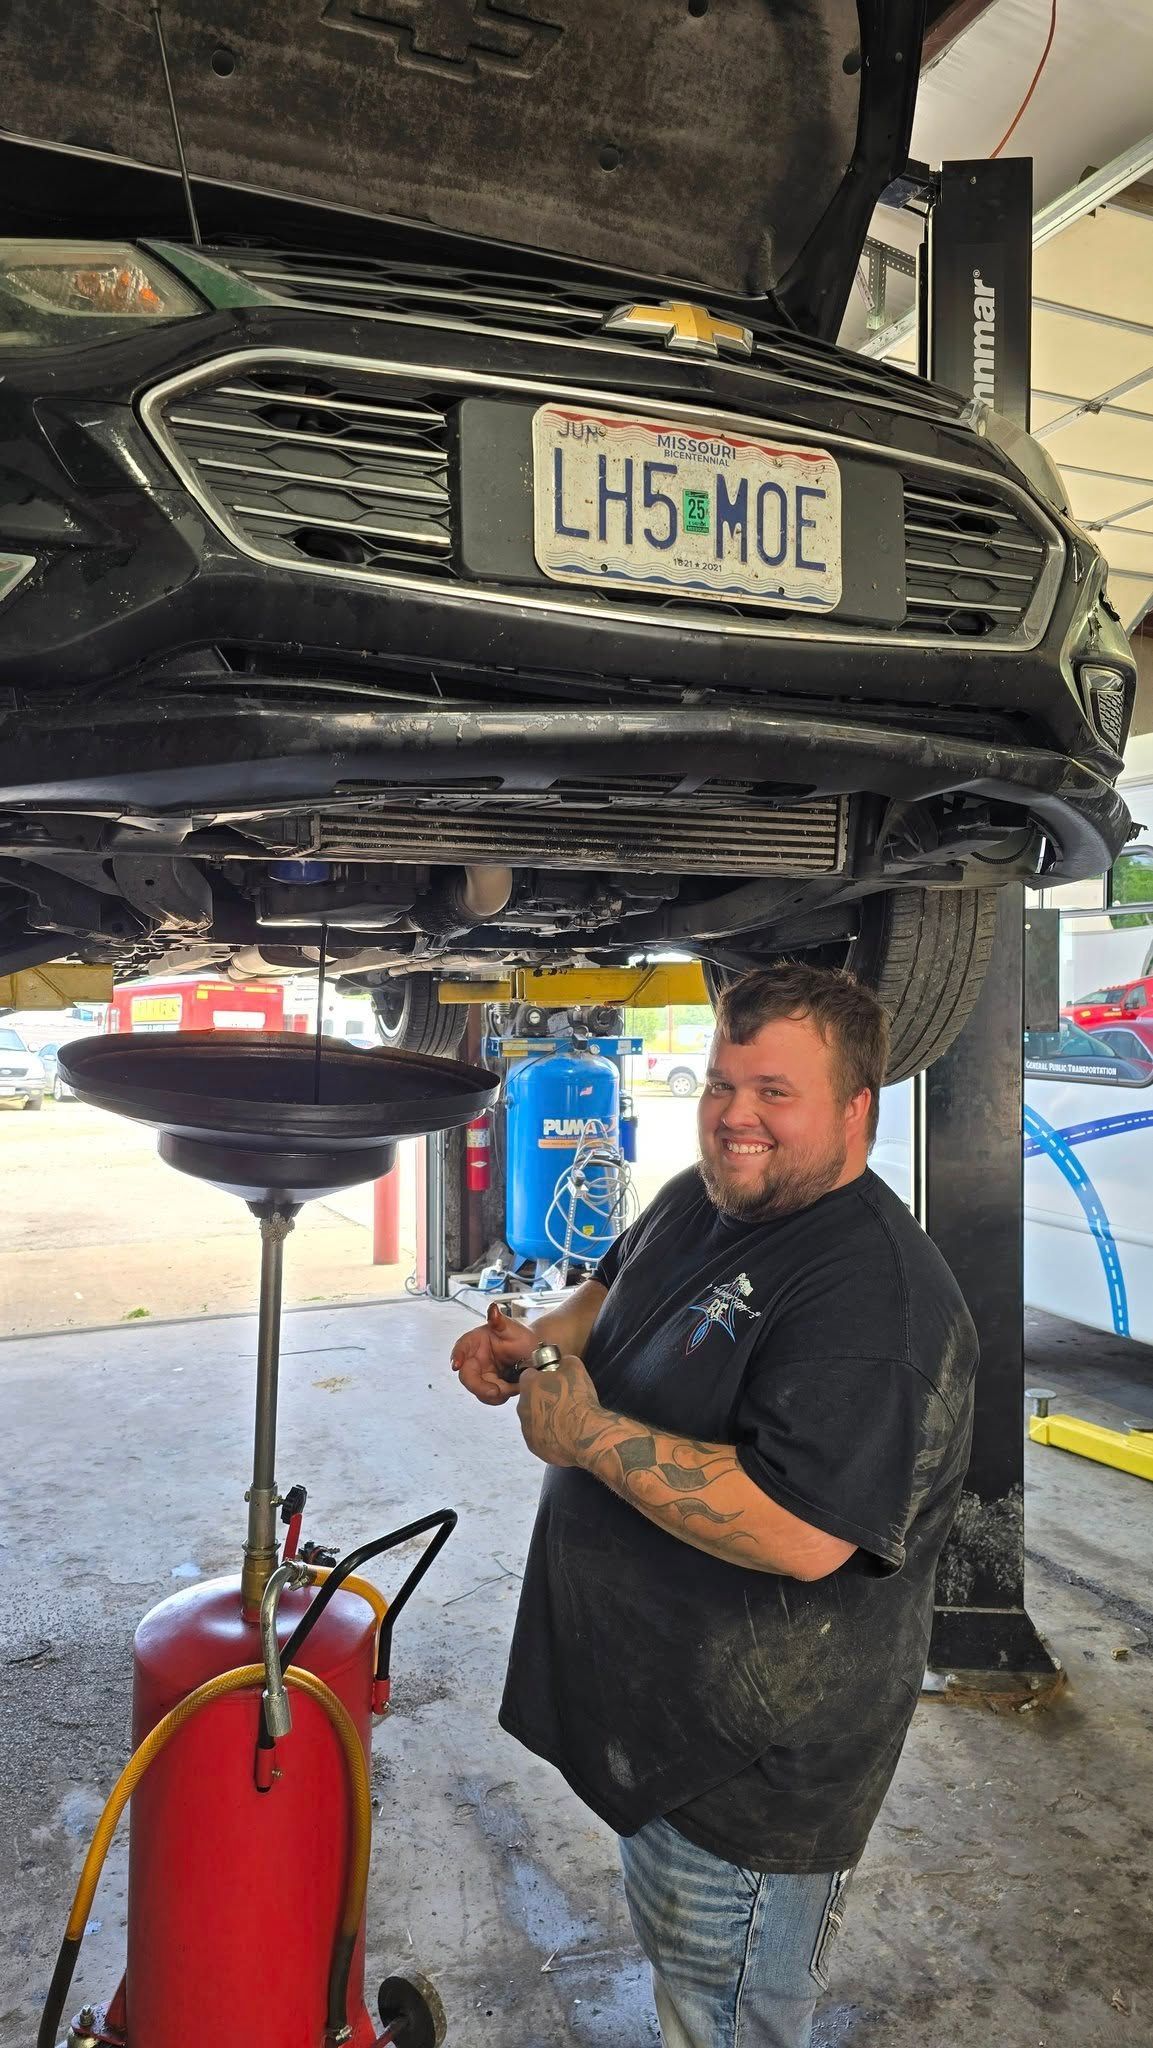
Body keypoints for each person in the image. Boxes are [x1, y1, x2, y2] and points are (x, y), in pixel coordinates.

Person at [451, 964, 978, 2048]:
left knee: (728, 2012)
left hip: (753, 1773)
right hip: (670, 1720)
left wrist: (588, 1435)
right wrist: (536, 1343)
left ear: (854, 1107)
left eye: (773, 1091)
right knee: (691, 1987)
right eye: (719, 1083)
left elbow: (802, 1530)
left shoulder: (873, 1294)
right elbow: (609, 1293)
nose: (736, 1115)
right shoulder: (714, 1191)